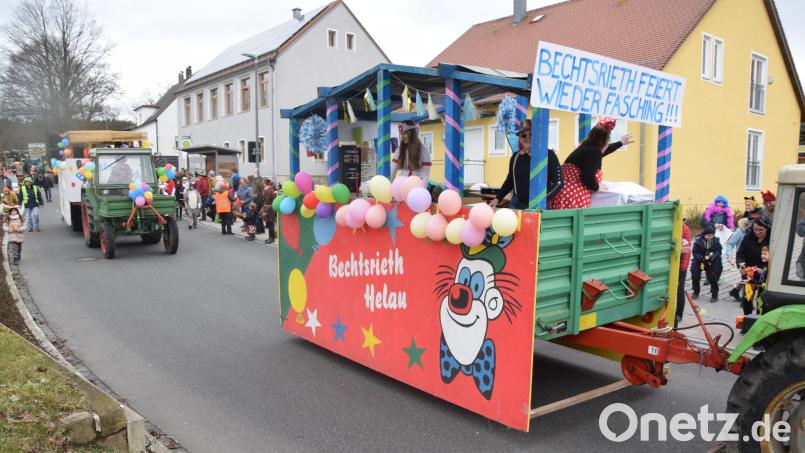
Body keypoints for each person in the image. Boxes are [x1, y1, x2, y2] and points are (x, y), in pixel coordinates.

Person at [550, 117, 634, 210]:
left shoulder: (586, 148)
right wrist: (597, 187)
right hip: (572, 196)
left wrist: (620, 143)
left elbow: (602, 152)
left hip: (562, 193)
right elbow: (587, 176)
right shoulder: (594, 152)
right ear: (605, 141)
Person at [490, 119, 562, 209]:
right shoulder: (515, 157)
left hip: (539, 206)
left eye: (531, 134)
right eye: (523, 135)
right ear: (520, 139)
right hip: (517, 204)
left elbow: (558, 183)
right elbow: (510, 180)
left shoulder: (549, 155)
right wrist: (498, 197)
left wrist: (543, 198)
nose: (528, 137)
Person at [691, 225, 723, 302]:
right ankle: (696, 292)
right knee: (695, 276)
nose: (710, 237)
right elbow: (695, 253)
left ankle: (714, 295)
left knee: (712, 277)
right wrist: (702, 258)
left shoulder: (716, 241)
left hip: (712, 261)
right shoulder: (698, 242)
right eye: (708, 235)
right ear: (704, 235)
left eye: (712, 235)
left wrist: (713, 257)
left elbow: (719, 251)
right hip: (699, 261)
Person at [675, 222, 692, 327]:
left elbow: (687, 251)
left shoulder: (685, 229)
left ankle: (679, 314)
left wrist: (683, 267)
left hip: (680, 265)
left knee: (679, 289)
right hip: (670, 264)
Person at [262, 179, 277, 244]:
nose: (263, 184)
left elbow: (267, 202)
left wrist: (265, 211)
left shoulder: (267, 190)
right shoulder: (270, 189)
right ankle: (270, 237)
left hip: (268, 209)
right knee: (270, 224)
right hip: (270, 209)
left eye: (263, 183)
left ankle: (271, 238)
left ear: (265, 183)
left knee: (270, 224)